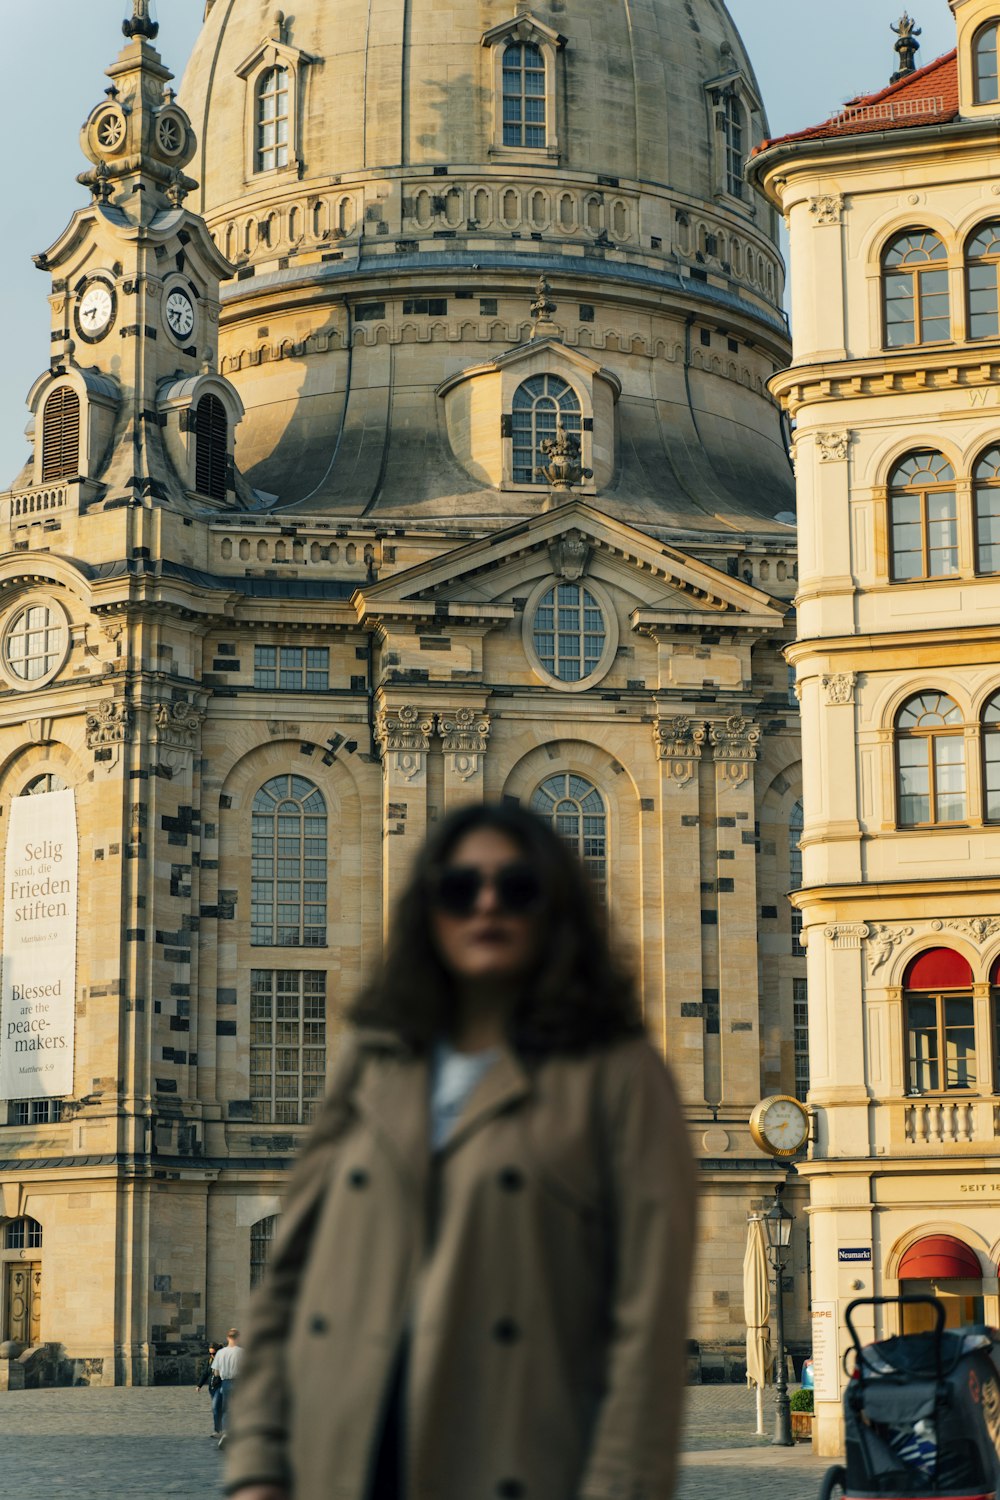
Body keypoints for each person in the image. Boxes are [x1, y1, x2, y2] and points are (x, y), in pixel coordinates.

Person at [224, 803, 698, 1500]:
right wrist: (257, 1467)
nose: (486, 903)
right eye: (458, 887)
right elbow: (287, 1285)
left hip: (511, 1464)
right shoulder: (374, 1058)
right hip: (338, 1467)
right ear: (429, 909)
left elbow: (647, 1329)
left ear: (556, 907)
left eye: (517, 887)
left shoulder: (619, 1075)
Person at [212, 1328, 244, 1447]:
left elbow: (216, 1373)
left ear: (227, 1338)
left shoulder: (220, 1353)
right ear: (238, 1338)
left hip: (225, 1382)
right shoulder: (242, 1352)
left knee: (226, 1409)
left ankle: (226, 1432)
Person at [196, 1340, 224, 1437]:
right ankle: (219, 1429)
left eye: (213, 1353)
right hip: (212, 1388)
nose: (212, 1355)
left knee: (216, 1407)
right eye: (210, 1353)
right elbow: (205, 1373)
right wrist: (199, 1385)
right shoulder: (210, 1360)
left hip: (221, 1386)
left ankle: (218, 1430)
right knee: (217, 1409)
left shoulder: (222, 1359)